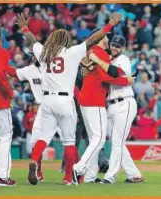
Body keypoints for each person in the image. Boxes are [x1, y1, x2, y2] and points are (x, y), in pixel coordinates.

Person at [16, 12, 123, 186]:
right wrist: (110, 25)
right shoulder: (72, 52)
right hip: (65, 100)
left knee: (42, 137)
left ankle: (35, 161)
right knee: (69, 140)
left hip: (47, 100)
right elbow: (92, 39)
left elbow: (32, 41)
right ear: (66, 40)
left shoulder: (43, 52)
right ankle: (67, 178)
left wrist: (24, 27)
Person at [72, 31, 135, 184]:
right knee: (99, 139)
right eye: (109, 40)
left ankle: (90, 176)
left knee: (98, 139)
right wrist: (125, 80)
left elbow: (112, 72)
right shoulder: (100, 53)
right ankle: (79, 168)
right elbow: (107, 76)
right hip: (96, 101)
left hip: (94, 101)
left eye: (117, 45)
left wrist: (118, 72)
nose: (111, 43)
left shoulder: (95, 53)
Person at [88, 35, 144, 184]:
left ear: (124, 49)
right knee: (117, 142)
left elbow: (113, 73)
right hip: (111, 105)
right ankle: (134, 174)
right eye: (113, 45)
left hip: (124, 104)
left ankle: (110, 177)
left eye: (118, 46)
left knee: (117, 141)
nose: (114, 48)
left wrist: (97, 60)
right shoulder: (108, 59)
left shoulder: (123, 59)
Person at [0, 25, 17, 187]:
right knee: (5, 136)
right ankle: (2, 176)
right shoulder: (1, 51)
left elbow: (4, 69)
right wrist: (10, 92)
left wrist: (20, 72)